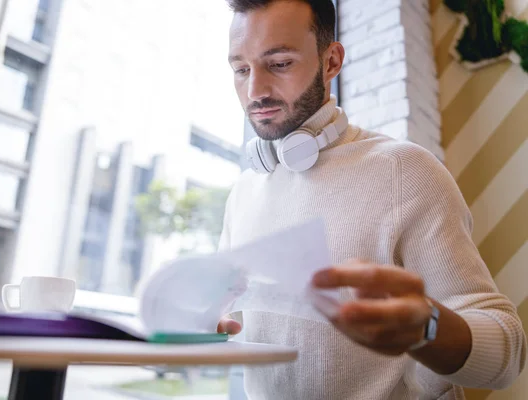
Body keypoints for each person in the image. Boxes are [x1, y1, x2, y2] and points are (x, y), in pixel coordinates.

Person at [215, 0, 527, 399]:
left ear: (331, 62)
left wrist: (428, 326)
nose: (254, 91)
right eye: (241, 69)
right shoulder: (244, 191)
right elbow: (231, 314)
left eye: (279, 63)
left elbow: (507, 350)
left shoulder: (405, 170)